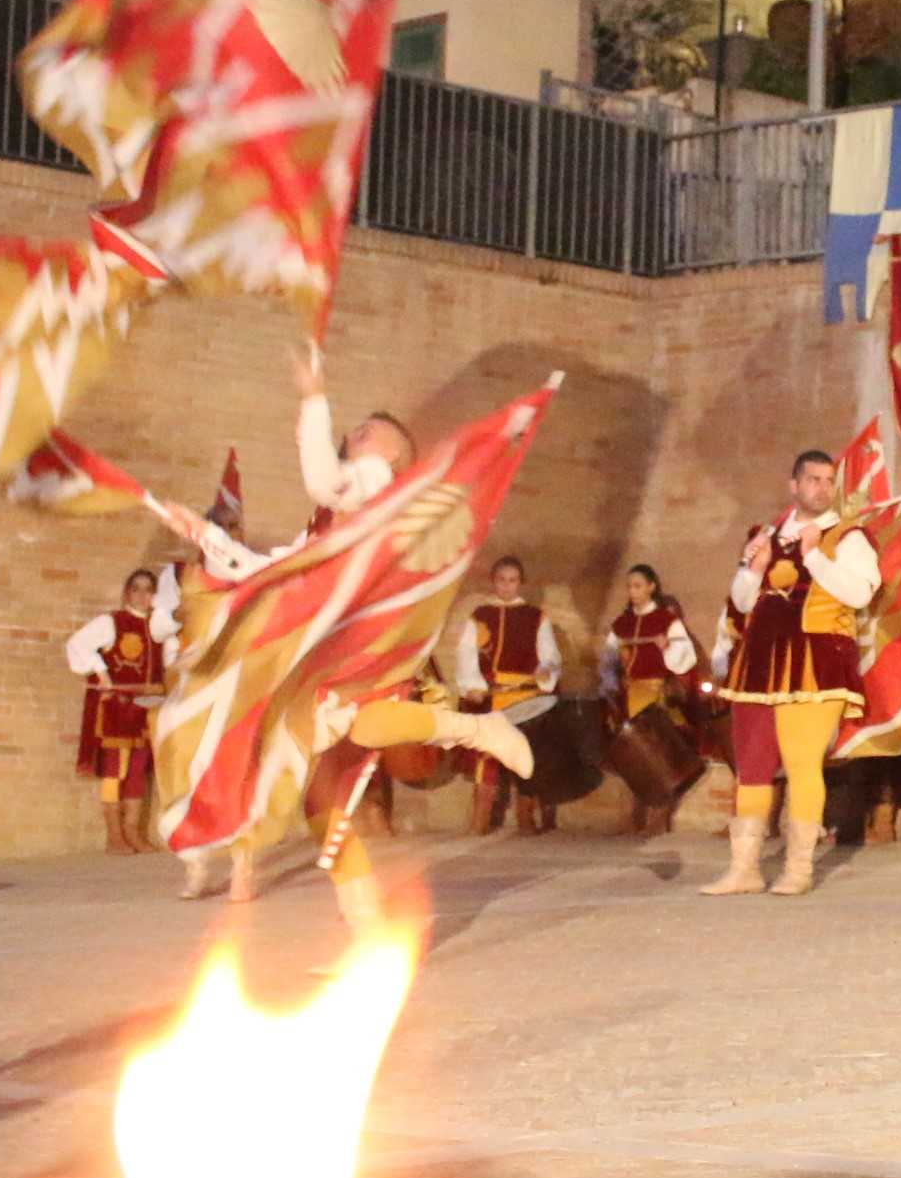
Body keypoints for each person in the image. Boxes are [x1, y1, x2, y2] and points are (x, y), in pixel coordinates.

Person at [145, 341, 528, 903]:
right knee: (322, 793)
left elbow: (325, 479)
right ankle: (365, 924)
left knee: (342, 740)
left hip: (357, 636)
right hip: (322, 642)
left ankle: (477, 731)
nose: (357, 435)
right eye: (357, 429)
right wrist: (206, 535)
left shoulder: (376, 484)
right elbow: (271, 570)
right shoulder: (331, 517)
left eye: (368, 431)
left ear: (390, 452)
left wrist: (313, 397)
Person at [705, 446, 880, 898]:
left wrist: (816, 557)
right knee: (752, 768)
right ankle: (744, 869)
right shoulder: (765, 535)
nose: (821, 489)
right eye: (813, 480)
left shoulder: (848, 536)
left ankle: (798, 869)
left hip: (816, 664)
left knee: (803, 765)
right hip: (759, 666)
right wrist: (753, 569)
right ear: (794, 485)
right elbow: (743, 603)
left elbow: (860, 594)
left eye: (828, 481)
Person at [450, 553, 563, 834]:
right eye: (501, 580)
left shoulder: (536, 617)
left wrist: (546, 670)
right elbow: (466, 654)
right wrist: (472, 685)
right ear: (493, 582)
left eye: (512, 581)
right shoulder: (480, 616)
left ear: (520, 583)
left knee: (525, 752)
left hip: (525, 697)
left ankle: (526, 817)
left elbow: (550, 655)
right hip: (492, 697)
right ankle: (480, 819)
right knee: (486, 755)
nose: (507, 586)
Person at [66, 568, 174, 851]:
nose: (142, 594)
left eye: (148, 589)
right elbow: (77, 644)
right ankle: (114, 833)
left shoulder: (159, 629)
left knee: (138, 770)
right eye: (136, 588)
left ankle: (132, 830)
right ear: (127, 593)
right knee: (115, 769)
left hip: (144, 710)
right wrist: (102, 674)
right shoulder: (112, 623)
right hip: (117, 709)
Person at [598, 562, 705, 837]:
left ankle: (661, 814)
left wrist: (667, 645)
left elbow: (686, 657)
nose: (632, 591)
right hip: (629, 696)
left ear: (651, 587)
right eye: (629, 586)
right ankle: (636, 813)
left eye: (638, 586)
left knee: (659, 756)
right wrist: (610, 684)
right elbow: (609, 661)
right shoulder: (621, 624)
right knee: (633, 756)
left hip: (656, 695)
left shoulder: (666, 621)